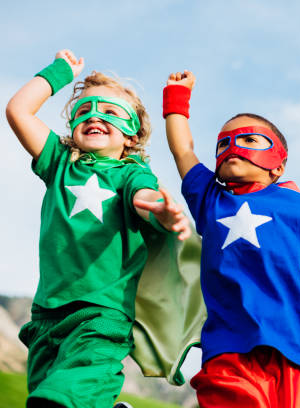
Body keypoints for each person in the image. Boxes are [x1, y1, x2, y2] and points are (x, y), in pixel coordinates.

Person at [153, 70, 300, 408]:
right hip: (229, 346)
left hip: (295, 352)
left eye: (249, 139)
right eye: (223, 143)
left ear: (277, 166)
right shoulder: (211, 199)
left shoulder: (298, 206)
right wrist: (177, 97)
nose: (233, 146)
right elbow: (183, 150)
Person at [5, 49, 191, 408]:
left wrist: (161, 212)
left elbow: (144, 197)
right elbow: (18, 110)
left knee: (57, 399)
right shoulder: (59, 163)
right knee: (51, 395)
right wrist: (59, 73)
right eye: (83, 111)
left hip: (101, 314)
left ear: (132, 136)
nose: (94, 116)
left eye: (109, 112)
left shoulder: (131, 173)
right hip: (46, 317)